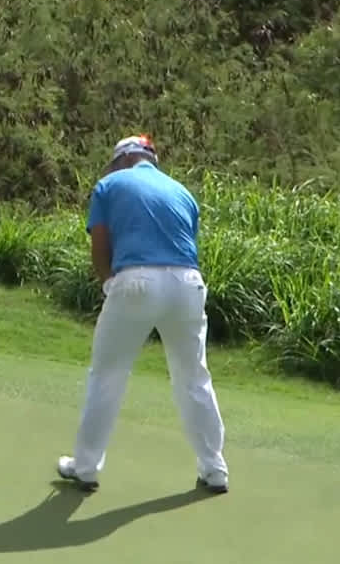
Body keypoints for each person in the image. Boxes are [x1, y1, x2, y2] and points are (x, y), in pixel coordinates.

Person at [56, 134, 231, 495]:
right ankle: (215, 468)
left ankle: (86, 468)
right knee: (193, 377)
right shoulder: (182, 191)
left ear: (123, 159)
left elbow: (100, 244)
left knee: (108, 375)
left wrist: (109, 283)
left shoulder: (109, 184)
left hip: (136, 280)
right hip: (188, 284)